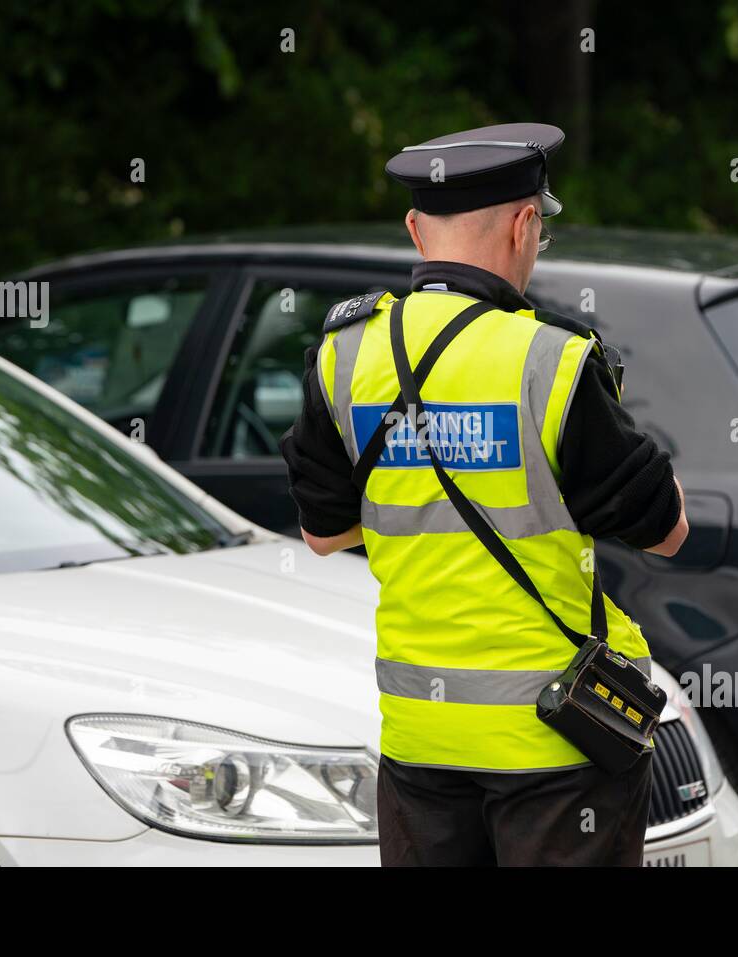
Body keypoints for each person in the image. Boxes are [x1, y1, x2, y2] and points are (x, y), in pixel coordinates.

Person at [280, 123, 688, 866]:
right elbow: (666, 531)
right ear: (525, 224)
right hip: (555, 739)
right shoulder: (552, 360)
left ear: (415, 229)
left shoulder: (343, 353)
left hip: (421, 742)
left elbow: (324, 533)